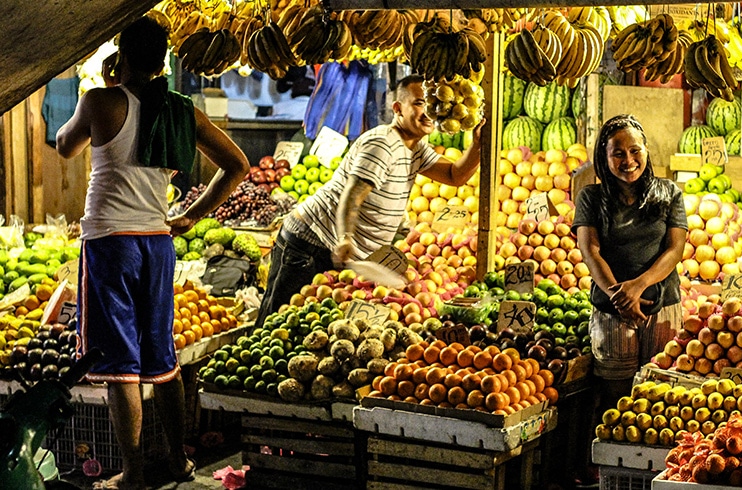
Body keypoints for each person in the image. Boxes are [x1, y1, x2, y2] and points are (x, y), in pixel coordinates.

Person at [56, 16, 249, 490]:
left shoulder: (100, 100)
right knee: (163, 360)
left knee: (123, 365)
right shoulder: (183, 110)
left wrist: (107, 87)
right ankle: (179, 460)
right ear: (162, 59)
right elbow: (237, 166)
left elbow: (64, 146)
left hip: (109, 244)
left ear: (120, 55)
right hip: (157, 244)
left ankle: (134, 473)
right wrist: (191, 216)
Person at [256, 75, 482, 326]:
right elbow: (352, 194)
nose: (427, 112)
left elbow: (454, 175)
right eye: (418, 103)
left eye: (429, 104)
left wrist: (478, 144)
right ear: (398, 108)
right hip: (311, 242)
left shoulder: (415, 147)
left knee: (313, 324)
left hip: (336, 249)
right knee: (279, 323)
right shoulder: (383, 144)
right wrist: (345, 238)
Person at [571, 114, 687, 482]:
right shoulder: (590, 196)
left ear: (646, 151)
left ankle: (658, 473)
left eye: (634, 150)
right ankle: (614, 473)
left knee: (661, 396)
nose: (628, 160)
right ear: (603, 157)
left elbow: (674, 251)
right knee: (615, 396)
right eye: (617, 153)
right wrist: (618, 296)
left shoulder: (669, 193)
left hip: (662, 306)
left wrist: (636, 287)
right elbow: (590, 250)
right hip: (611, 312)